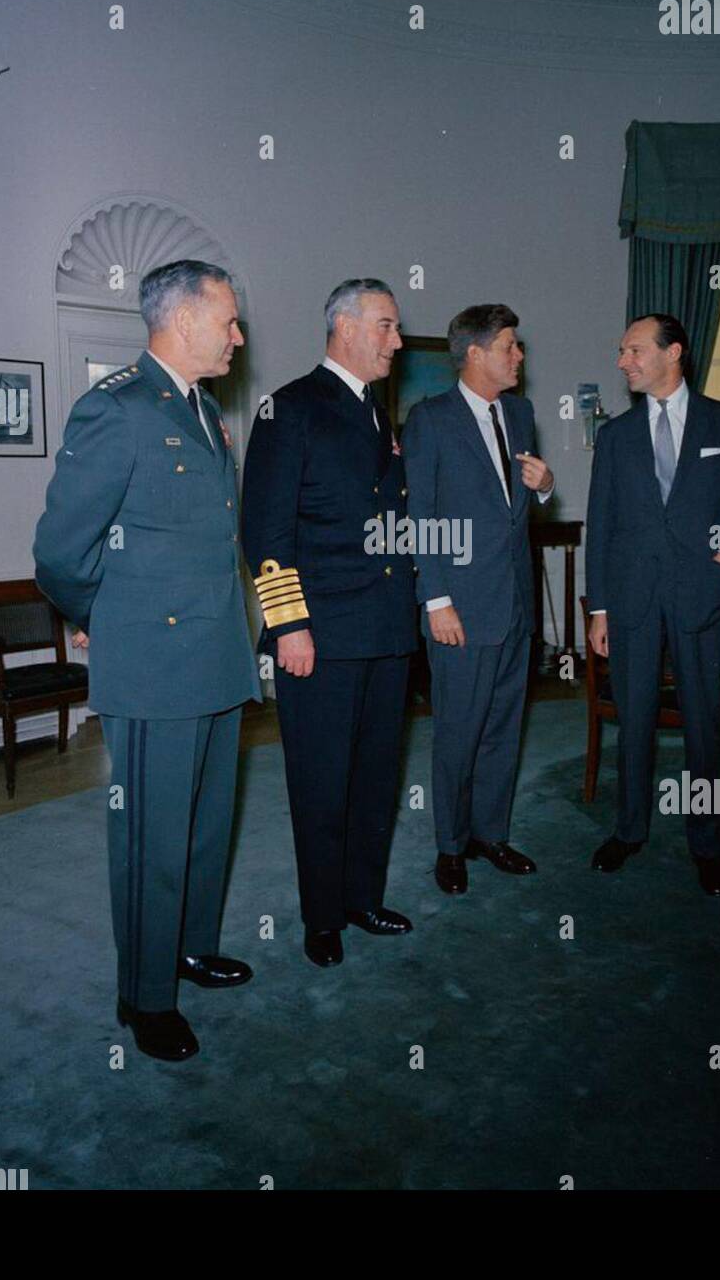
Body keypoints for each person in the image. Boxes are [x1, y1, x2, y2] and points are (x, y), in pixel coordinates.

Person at [33, 259, 259, 1061]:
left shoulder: (201, 409)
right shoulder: (119, 409)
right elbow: (60, 551)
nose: (239, 335)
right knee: (152, 838)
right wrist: (105, 616)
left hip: (218, 652)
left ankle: (190, 950)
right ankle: (145, 995)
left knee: (205, 827)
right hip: (156, 661)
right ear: (184, 318)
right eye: (229, 320)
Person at [241, 278, 417, 966]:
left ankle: (361, 898)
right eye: (386, 326)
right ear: (345, 328)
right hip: (319, 636)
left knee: (376, 775)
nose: (396, 342)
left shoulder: (376, 414)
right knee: (320, 782)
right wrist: (289, 627)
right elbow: (265, 530)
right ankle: (322, 918)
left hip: (385, 629)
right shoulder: (289, 408)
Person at [585, 313, 720, 895]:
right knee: (634, 720)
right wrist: (599, 610)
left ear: (675, 354)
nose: (624, 362)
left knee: (703, 725)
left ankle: (707, 845)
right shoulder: (616, 435)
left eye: (635, 351)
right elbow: (602, 525)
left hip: (700, 597)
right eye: (622, 352)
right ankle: (629, 831)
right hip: (632, 601)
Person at [403, 303, 554, 894]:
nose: (519, 356)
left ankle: (489, 833)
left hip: (514, 600)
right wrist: (435, 599)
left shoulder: (521, 412)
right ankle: (450, 845)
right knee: (458, 730)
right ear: (475, 353)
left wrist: (545, 488)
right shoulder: (430, 419)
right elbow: (421, 515)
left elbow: (514, 504)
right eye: (510, 346)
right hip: (459, 607)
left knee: (502, 725)